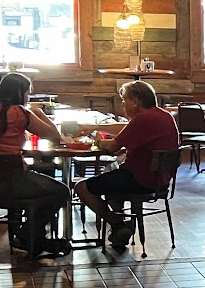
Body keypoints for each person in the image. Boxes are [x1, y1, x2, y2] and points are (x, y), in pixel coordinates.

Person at [0, 72, 71, 257]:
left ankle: (34, 238)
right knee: (61, 191)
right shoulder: (19, 113)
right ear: (19, 92)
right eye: (27, 93)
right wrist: (38, 112)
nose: (28, 97)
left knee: (42, 186)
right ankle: (28, 234)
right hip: (15, 183)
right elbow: (53, 135)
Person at [75, 81, 179, 249]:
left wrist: (97, 141)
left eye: (124, 100)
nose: (122, 105)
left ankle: (118, 225)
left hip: (140, 180)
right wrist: (96, 127)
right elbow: (126, 129)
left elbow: (113, 146)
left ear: (136, 101)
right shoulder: (162, 116)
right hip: (160, 180)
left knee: (81, 187)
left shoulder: (143, 120)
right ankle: (119, 230)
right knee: (112, 180)